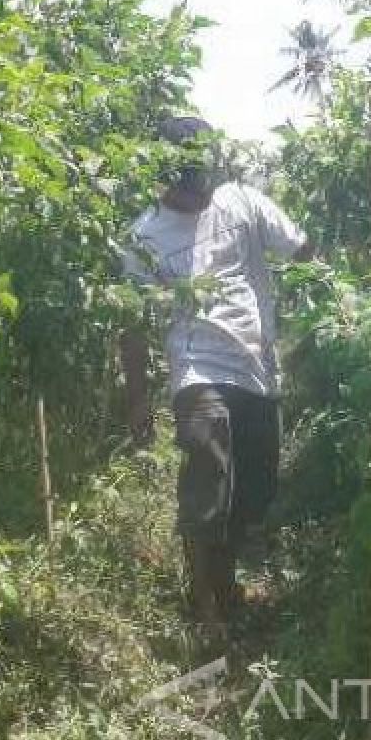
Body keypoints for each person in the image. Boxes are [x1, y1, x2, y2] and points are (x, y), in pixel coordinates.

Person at [118, 116, 313, 646]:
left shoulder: (244, 204)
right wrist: (138, 400)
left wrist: (346, 297)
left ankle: (226, 584)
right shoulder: (143, 236)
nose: (196, 191)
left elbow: (302, 251)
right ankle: (207, 610)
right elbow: (132, 321)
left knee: (256, 487)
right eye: (184, 182)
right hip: (195, 368)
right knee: (208, 471)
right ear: (163, 178)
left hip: (255, 367)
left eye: (202, 178)